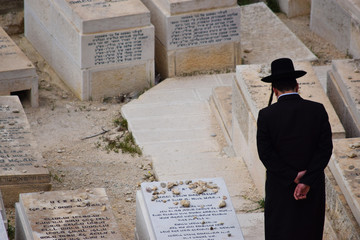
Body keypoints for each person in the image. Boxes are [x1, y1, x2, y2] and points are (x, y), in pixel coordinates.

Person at [256, 58, 333, 240]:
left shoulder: (266, 115)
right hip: (312, 187)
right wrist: (306, 180)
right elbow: (325, 150)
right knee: (310, 230)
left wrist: (293, 176)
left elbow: (265, 154)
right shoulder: (317, 110)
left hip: (281, 188)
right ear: (297, 86)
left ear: (274, 90)